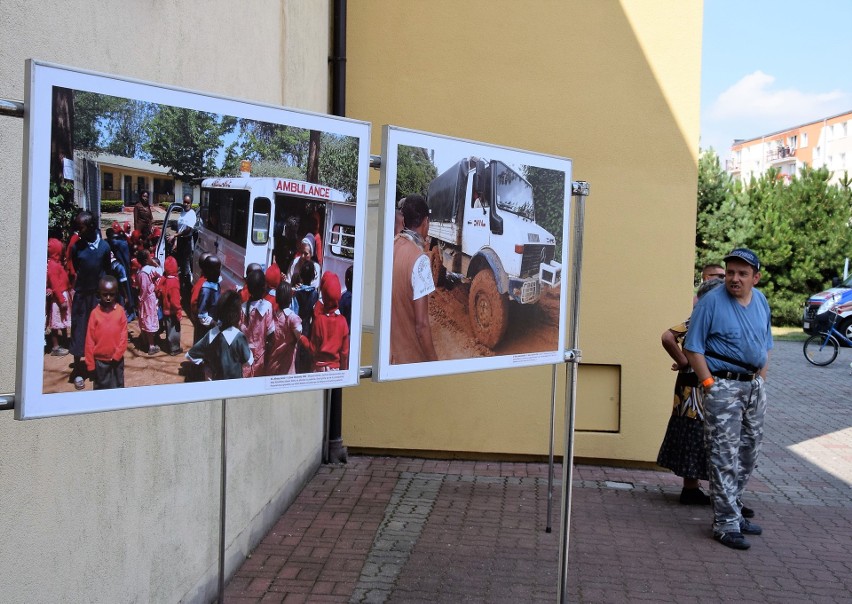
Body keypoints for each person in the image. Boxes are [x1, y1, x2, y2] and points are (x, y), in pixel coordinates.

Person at [684, 248, 772, 550]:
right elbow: (692, 348)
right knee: (724, 455)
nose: (734, 278)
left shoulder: (761, 302)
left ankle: (734, 511)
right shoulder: (710, 303)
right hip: (723, 387)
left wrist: (761, 380)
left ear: (755, 278)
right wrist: (710, 384)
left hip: (753, 388)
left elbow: (766, 345)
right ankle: (724, 523)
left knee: (748, 454)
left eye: (742, 273)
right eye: (731, 272)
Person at [657, 277, 724, 505]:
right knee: (700, 433)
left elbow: (671, 338)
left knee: (692, 431)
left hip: (690, 385)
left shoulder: (701, 317)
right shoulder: (705, 318)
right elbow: (668, 337)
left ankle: (691, 488)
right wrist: (684, 361)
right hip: (698, 386)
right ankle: (697, 490)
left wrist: (683, 361)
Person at [390, 195, 438, 364]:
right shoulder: (421, 261)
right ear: (425, 222)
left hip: (391, 356)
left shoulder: (392, 246)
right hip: (410, 359)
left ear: (404, 222)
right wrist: (434, 363)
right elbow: (422, 326)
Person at [69, 211, 112, 390]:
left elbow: (107, 271)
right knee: (79, 331)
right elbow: (77, 267)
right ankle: (79, 370)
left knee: (97, 333)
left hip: (97, 297)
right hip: (82, 296)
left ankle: (95, 368)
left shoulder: (104, 247)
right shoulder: (76, 247)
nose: (78, 230)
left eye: (82, 227)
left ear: (92, 226)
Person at [185, 290, 253, 381]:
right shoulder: (239, 337)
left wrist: (206, 366)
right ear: (237, 315)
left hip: (216, 383)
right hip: (235, 385)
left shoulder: (211, 334)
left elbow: (191, 355)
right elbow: (249, 361)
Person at [84, 275, 128, 390]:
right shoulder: (94, 314)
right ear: (99, 293)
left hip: (117, 361)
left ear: (116, 294)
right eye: (105, 294)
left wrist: (117, 355)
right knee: (102, 391)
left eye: (111, 294)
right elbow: (89, 341)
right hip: (100, 363)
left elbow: (124, 336)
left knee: (118, 389)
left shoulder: (120, 311)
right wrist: (90, 366)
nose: (108, 297)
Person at [299, 272, 349, 372]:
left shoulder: (319, 320)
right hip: (336, 370)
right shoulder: (343, 321)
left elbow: (313, 349)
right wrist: (343, 371)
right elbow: (344, 353)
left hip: (319, 369)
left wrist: (301, 338)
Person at [240, 269, 274, 377]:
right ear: (264, 288)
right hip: (260, 357)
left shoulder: (243, 308)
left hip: (244, 355)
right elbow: (271, 334)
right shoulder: (267, 307)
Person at [265, 282, 302, 376]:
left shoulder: (272, 316)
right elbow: (299, 331)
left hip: (272, 364)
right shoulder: (292, 317)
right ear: (290, 299)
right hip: (287, 367)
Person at [46, 237, 71, 356]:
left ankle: (65, 341)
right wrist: (61, 300)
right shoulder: (53, 266)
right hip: (58, 298)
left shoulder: (56, 264)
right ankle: (55, 347)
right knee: (56, 322)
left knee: (63, 319)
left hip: (62, 295)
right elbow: (55, 285)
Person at [169, 194, 197, 303]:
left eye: (188, 202)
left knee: (186, 268)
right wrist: (176, 241)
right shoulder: (182, 213)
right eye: (184, 202)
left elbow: (187, 230)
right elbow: (179, 228)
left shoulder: (192, 214)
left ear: (191, 203)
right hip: (180, 241)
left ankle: (187, 294)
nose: (186, 204)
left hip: (187, 242)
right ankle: (180, 290)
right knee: (180, 266)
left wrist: (175, 236)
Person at [136, 249, 162, 355]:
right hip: (149, 298)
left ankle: (144, 341)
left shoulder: (140, 271)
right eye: (150, 257)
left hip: (143, 298)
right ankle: (151, 346)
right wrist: (155, 263)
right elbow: (160, 271)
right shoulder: (149, 269)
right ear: (147, 260)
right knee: (149, 320)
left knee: (144, 319)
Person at [156, 256, 183, 355]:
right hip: (172, 311)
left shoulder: (164, 279)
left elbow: (158, 291)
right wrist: (179, 312)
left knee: (168, 329)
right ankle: (174, 349)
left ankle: (169, 345)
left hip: (165, 309)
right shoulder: (174, 283)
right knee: (174, 330)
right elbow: (175, 301)